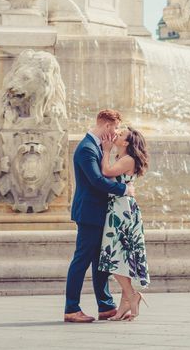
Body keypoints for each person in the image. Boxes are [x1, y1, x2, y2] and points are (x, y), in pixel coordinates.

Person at [64, 109, 135, 324]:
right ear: (106, 126)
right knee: (82, 260)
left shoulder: (94, 146)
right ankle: (71, 308)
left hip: (97, 211)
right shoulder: (86, 148)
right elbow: (96, 180)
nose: (116, 133)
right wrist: (124, 190)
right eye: (114, 128)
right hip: (89, 213)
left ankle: (105, 306)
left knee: (100, 261)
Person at [98, 125, 150, 321]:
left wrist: (106, 150)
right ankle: (124, 307)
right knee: (120, 256)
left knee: (113, 256)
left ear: (126, 143)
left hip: (122, 210)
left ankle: (132, 296)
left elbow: (106, 171)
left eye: (121, 135)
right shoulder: (124, 158)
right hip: (121, 207)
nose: (117, 134)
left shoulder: (127, 159)